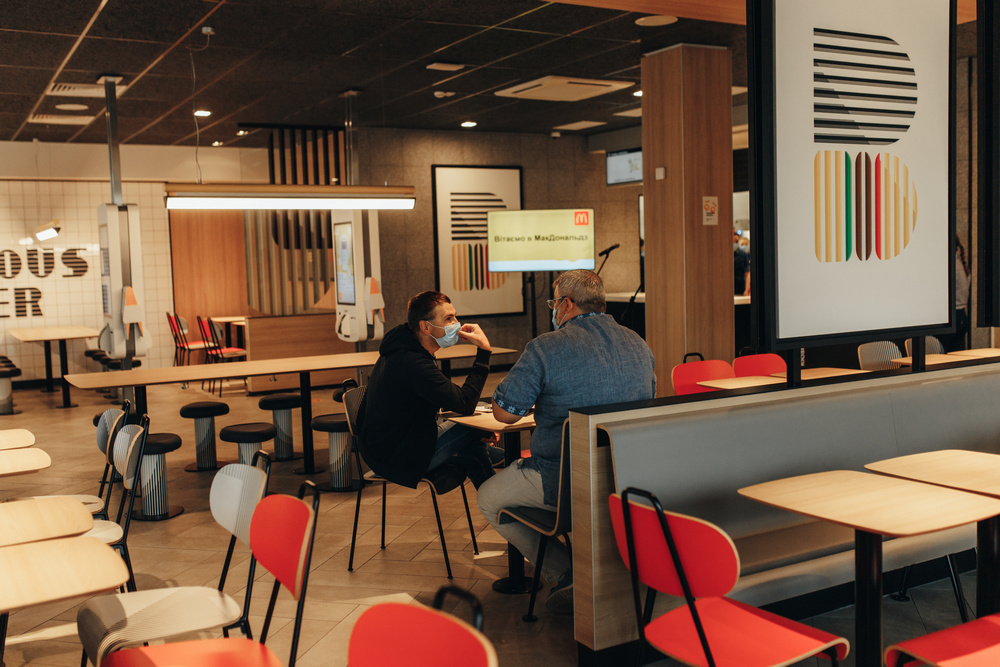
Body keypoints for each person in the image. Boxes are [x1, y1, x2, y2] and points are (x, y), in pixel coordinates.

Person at [477, 270, 656, 614]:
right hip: (625, 479)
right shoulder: (638, 343)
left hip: (563, 481)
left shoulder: (545, 347)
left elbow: (504, 414)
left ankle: (566, 572)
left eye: (554, 303)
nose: (554, 310)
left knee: (488, 498)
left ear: (567, 304)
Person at [356, 290, 497, 490]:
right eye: (448, 318)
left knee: (475, 443)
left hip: (391, 446)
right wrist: (484, 351)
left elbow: (452, 400)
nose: (456, 324)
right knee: (475, 425)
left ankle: (496, 498)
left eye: (455, 316)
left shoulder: (405, 346)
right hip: (397, 458)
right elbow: (465, 403)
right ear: (425, 327)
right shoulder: (413, 362)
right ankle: (500, 501)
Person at [942, 236, 971, 352]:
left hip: (951, 316)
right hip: (961, 315)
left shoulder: (950, 266)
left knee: (943, 356)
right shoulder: (960, 264)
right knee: (956, 356)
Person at [734, 228, 750, 296]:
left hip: (740, 288)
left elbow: (747, 273)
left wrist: (746, 290)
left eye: (736, 242)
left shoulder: (743, 255)